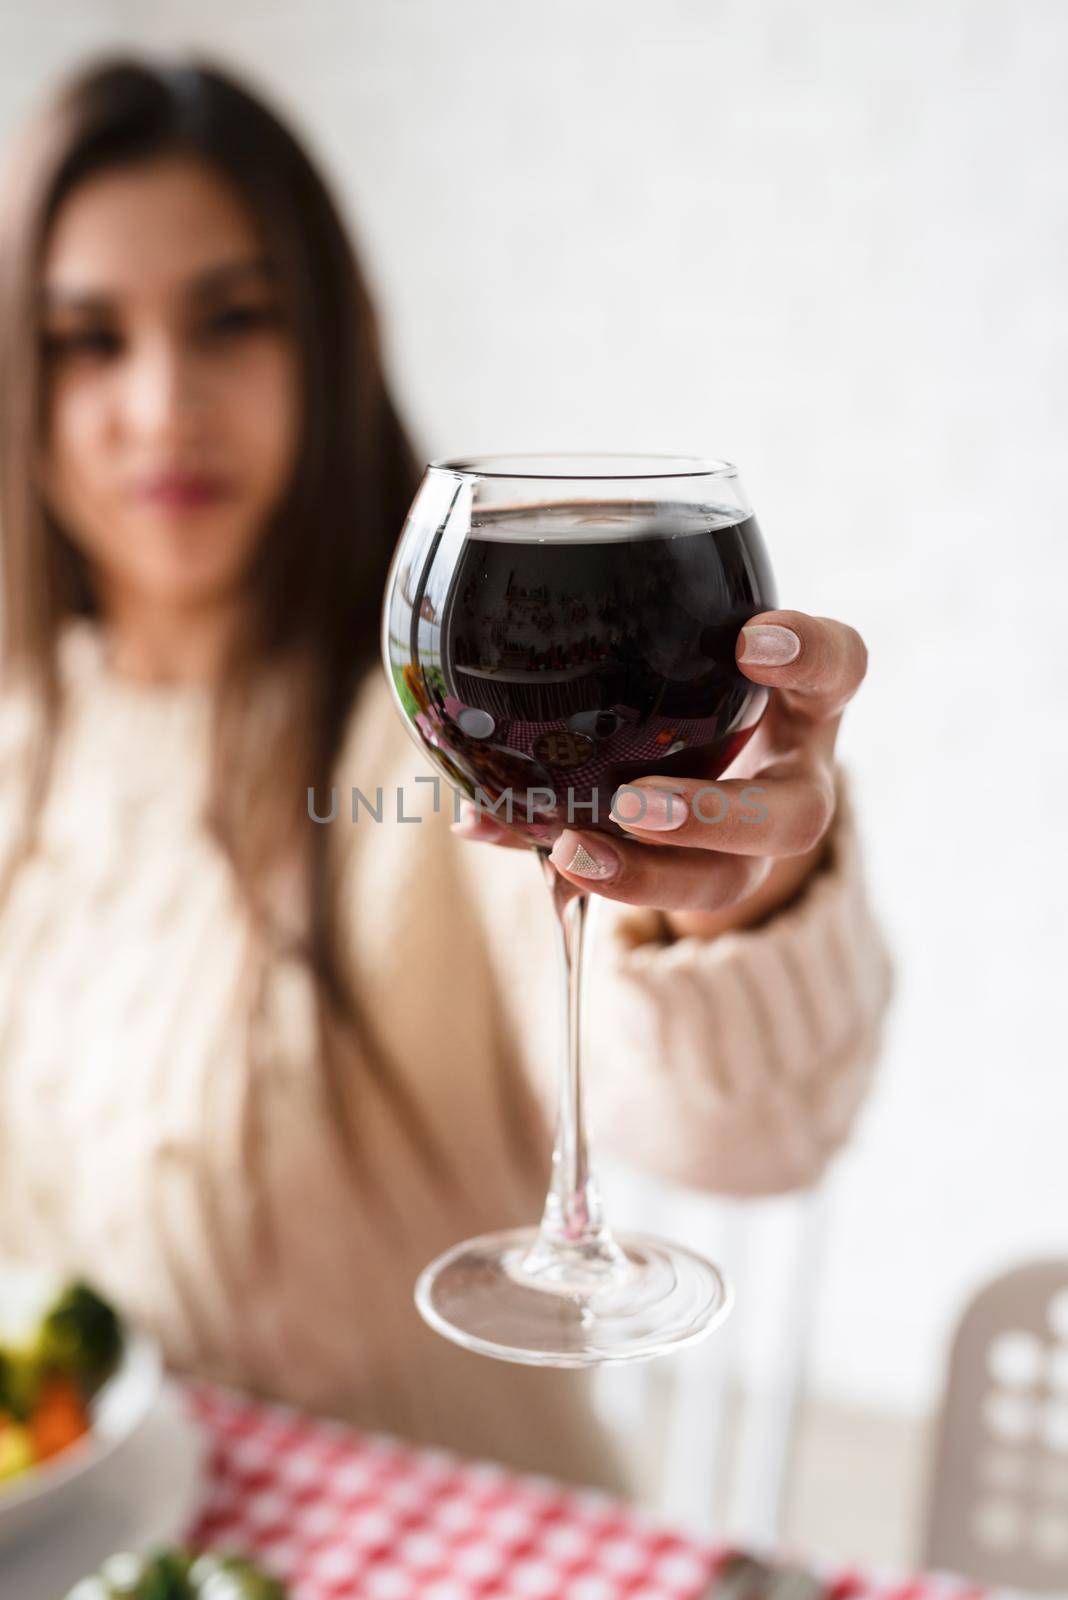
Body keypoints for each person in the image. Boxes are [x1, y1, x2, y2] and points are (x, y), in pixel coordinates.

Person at [0, 55, 893, 1496]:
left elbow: (750, 1139)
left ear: (339, 341)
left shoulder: (420, 735)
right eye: (87, 340)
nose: (160, 403)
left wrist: (719, 914)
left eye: (231, 321)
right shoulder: (21, 734)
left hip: (473, 1544)